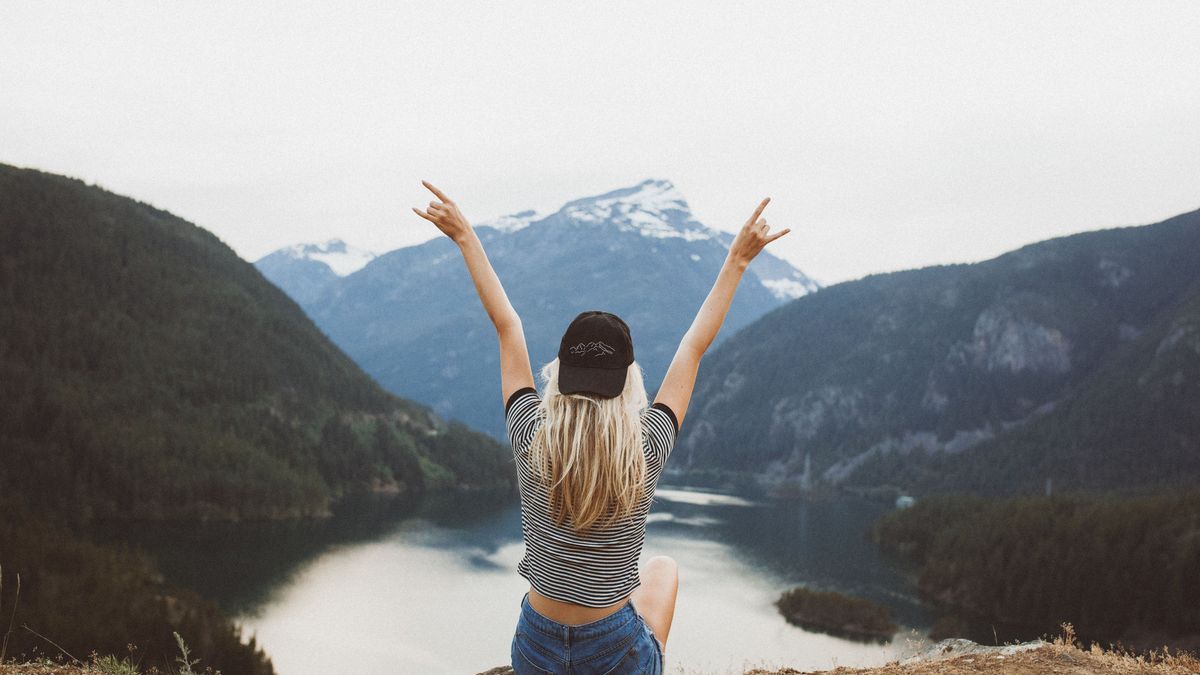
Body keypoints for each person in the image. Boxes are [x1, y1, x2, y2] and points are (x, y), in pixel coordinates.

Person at [413, 180, 789, 674]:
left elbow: (507, 325)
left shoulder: (531, 433)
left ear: (560, 377)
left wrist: (465, 237)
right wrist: (737, 261)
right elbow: (693, 345)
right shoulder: (645, 447)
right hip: (614, 653)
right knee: (663, 570)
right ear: (627, 381)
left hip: (535, 647)